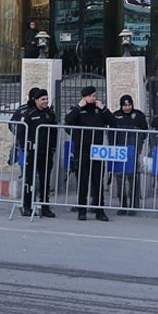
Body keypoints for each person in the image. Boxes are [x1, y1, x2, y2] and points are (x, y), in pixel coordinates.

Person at [65, 86, 116, 221]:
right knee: (83, 180)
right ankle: (82, 210)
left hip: (97, 150)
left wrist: (104, 109)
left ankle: (99, 210)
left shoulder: (99, 110)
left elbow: (113, 122)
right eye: (91, 96)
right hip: (82, 150)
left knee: (97, 180)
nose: (94, 98)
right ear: (85, 97)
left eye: (95, 96)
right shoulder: (78, 110)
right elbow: (68, 120)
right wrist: (78, 107)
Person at [10, 88, 58, 218]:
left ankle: (45, 206)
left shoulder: (50, 114)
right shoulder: (30, 113)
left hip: (46, 151)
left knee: (45, 180)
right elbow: (21, 131)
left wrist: (53, 147)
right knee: (30, 180)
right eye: (43, 99)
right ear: (36, 100)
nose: (45, 101)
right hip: (32, 151)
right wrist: (26, 146)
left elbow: (54, 132)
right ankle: (27, 206)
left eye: (46, 99)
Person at [110, 94, 149, 215]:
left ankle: (134, 205)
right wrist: (113, 147)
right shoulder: (116, 115)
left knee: (133, 177)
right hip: (119, 151)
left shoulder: (138, 115)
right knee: (120, 178)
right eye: (125, 105)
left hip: (133, 150)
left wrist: (138, 146)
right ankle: (123, 204)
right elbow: (111, 133)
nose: (127, 107)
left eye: (129, 105)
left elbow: (144, 131)